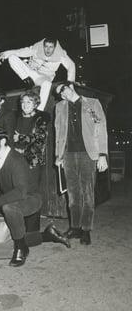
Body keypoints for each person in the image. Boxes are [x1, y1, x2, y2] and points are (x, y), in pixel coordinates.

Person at [0, 127, 70, 267]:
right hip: (11, 199)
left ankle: (21, 249)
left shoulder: (16, 160)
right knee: (11, 234)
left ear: (3, 141)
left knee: (9, 208)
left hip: (30, 199)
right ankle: (48, 235)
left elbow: (20, 192)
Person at [55, 82, 108, 245]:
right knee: (72, 194)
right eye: (60, 94)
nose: (63, 94)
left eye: (63, 89)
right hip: (68, 154)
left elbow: (101, 129)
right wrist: (58, 155)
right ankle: (75, 227)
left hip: (88, 153)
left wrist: (102, 154)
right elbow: (58, 131)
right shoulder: (59, 107)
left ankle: (86, 229)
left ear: (71, 86)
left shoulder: (92, 103)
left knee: (87, 192)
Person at [0, 37, 75, 111]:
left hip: (44, 77)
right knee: (12, 57)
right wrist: (5, 54)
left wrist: (70, 84)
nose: (48, 50)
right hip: (31, 73)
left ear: (54, 48)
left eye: (51, 47)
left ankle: (39, 110)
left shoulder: (60, 54)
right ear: (43, 46)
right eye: (46, 46)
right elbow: (22, 51)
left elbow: (71, 66)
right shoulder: (37, 48)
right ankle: (27, 80)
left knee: (47, 84)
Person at [14, 88, 50, 191]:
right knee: (17, 190)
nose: (25, 105)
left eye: (29, 102)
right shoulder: (15, 117)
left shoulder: (41, 118)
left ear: (35, 104)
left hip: (31, 160)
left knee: (31, 191)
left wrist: (20, 137)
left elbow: (40, 137)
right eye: (23, 102)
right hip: (15, 159)